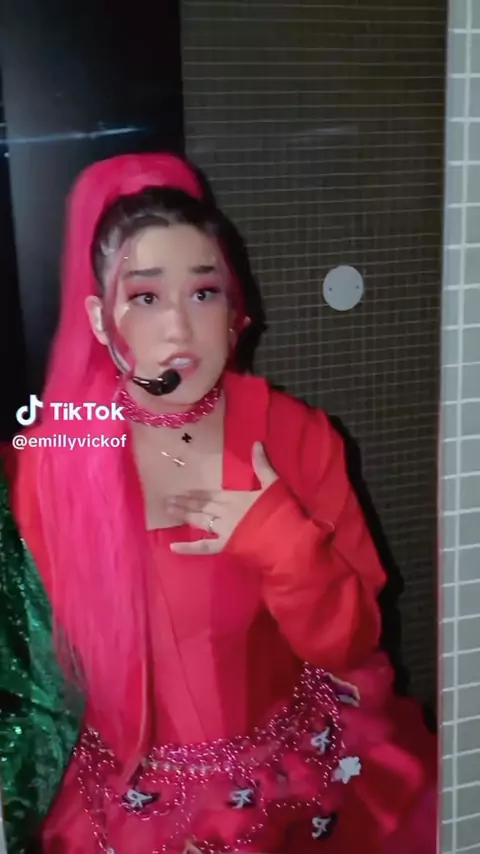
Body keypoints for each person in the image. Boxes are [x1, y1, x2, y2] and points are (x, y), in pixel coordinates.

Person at [6, 153, 437, 854]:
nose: (180, 329)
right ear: (99, 318)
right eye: (146, 297)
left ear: (234, 307)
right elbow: (30, 680)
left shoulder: (296, 437)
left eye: (203, 292)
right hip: (125, 805)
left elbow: (352, 640)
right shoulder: (49, 466)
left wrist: (282, 541)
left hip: (301, 780)